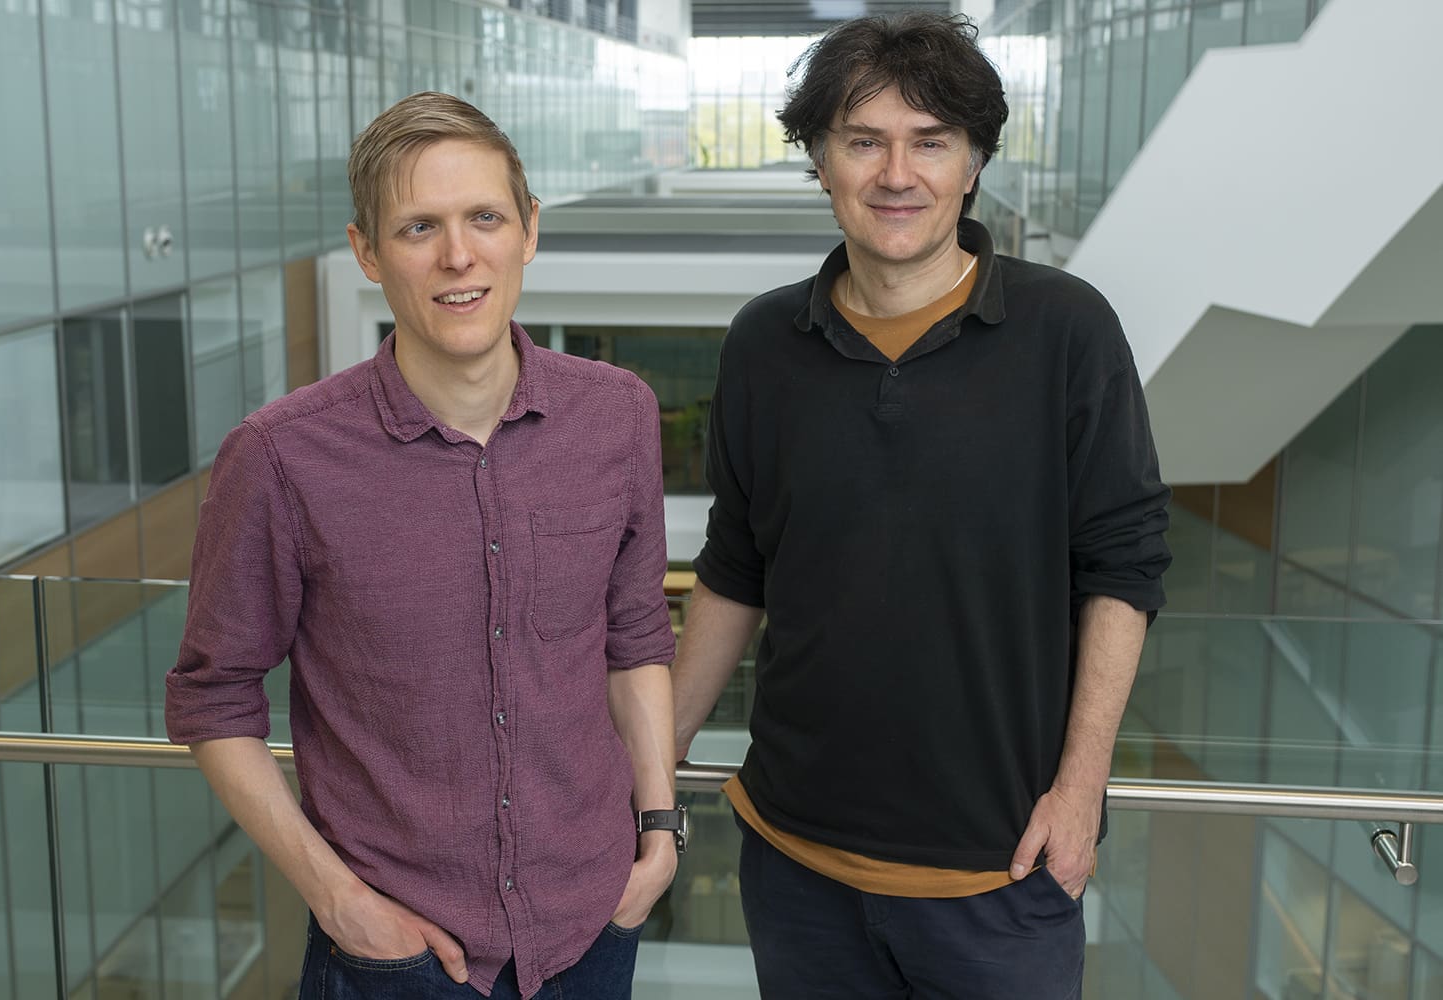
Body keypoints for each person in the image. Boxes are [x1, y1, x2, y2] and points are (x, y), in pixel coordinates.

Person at [671, 12, 1172, 999]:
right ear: (821, 162)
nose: (897, 174)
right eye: (864, 142)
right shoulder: (763, 342)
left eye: (931, 142)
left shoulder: (1066, 330)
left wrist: (1080, 791)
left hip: (1001, 876)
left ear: (974, 163)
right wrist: (654, 764)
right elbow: (736, 567)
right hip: (795, 864)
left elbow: (1124, 568)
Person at [165, 91, 682, 1000]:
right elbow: (213, 696)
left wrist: (659, 834)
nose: (458, 256)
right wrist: (338, 900)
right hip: (394, 954)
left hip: (595, 925)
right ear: (367, 252)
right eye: (418, 227)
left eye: (485, 217)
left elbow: (635, 638)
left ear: (529, 229)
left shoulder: (618, 414)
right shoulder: (281, 457)